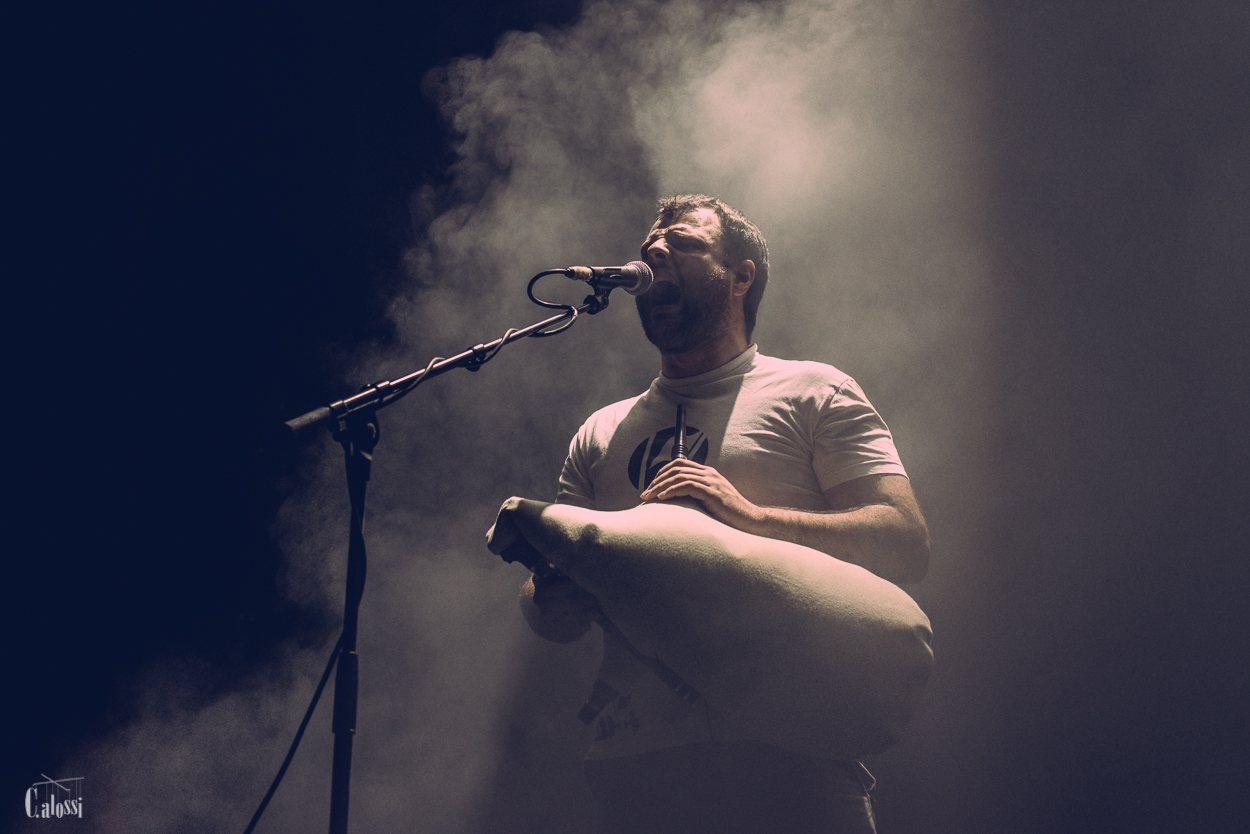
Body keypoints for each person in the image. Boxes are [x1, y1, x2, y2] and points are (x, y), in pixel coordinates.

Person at [518, 195, 930, 834]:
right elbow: (549, 601)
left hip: (790, 753)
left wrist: (751, 517)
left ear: (741, 276)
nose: (655, 253)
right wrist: (545, 598)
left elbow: (904, 543)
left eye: (683, 243)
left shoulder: (814, 390)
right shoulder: (599, 432)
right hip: (637, 763)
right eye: (650, 246)